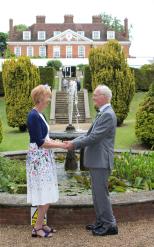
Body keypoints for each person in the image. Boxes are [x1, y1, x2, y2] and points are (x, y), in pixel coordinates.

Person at [64, 85, 118, 237]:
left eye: (95, 95)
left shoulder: (107, 114)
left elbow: (94, 137)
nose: (93, 97)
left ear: (104, 97)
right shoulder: (103, 113)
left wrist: (73, 144)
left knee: (101, 194)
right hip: (97, 161)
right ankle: (101, 221)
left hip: (101, 161)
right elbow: (89, 133)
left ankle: (110, 225)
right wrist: (72, 140)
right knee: (96, 194)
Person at [26, 84, 66, 238]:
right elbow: (40, 142)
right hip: (39, 161)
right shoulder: (33, 116)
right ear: (40, 98)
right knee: (44, 193)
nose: (49, 100)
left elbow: (45, 138)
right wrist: (61, 145)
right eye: (48, 97)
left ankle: (41, 224)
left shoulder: (40, 115)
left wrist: (56, 142)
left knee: (47, 191)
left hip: (43, 159)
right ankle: (37, 228)